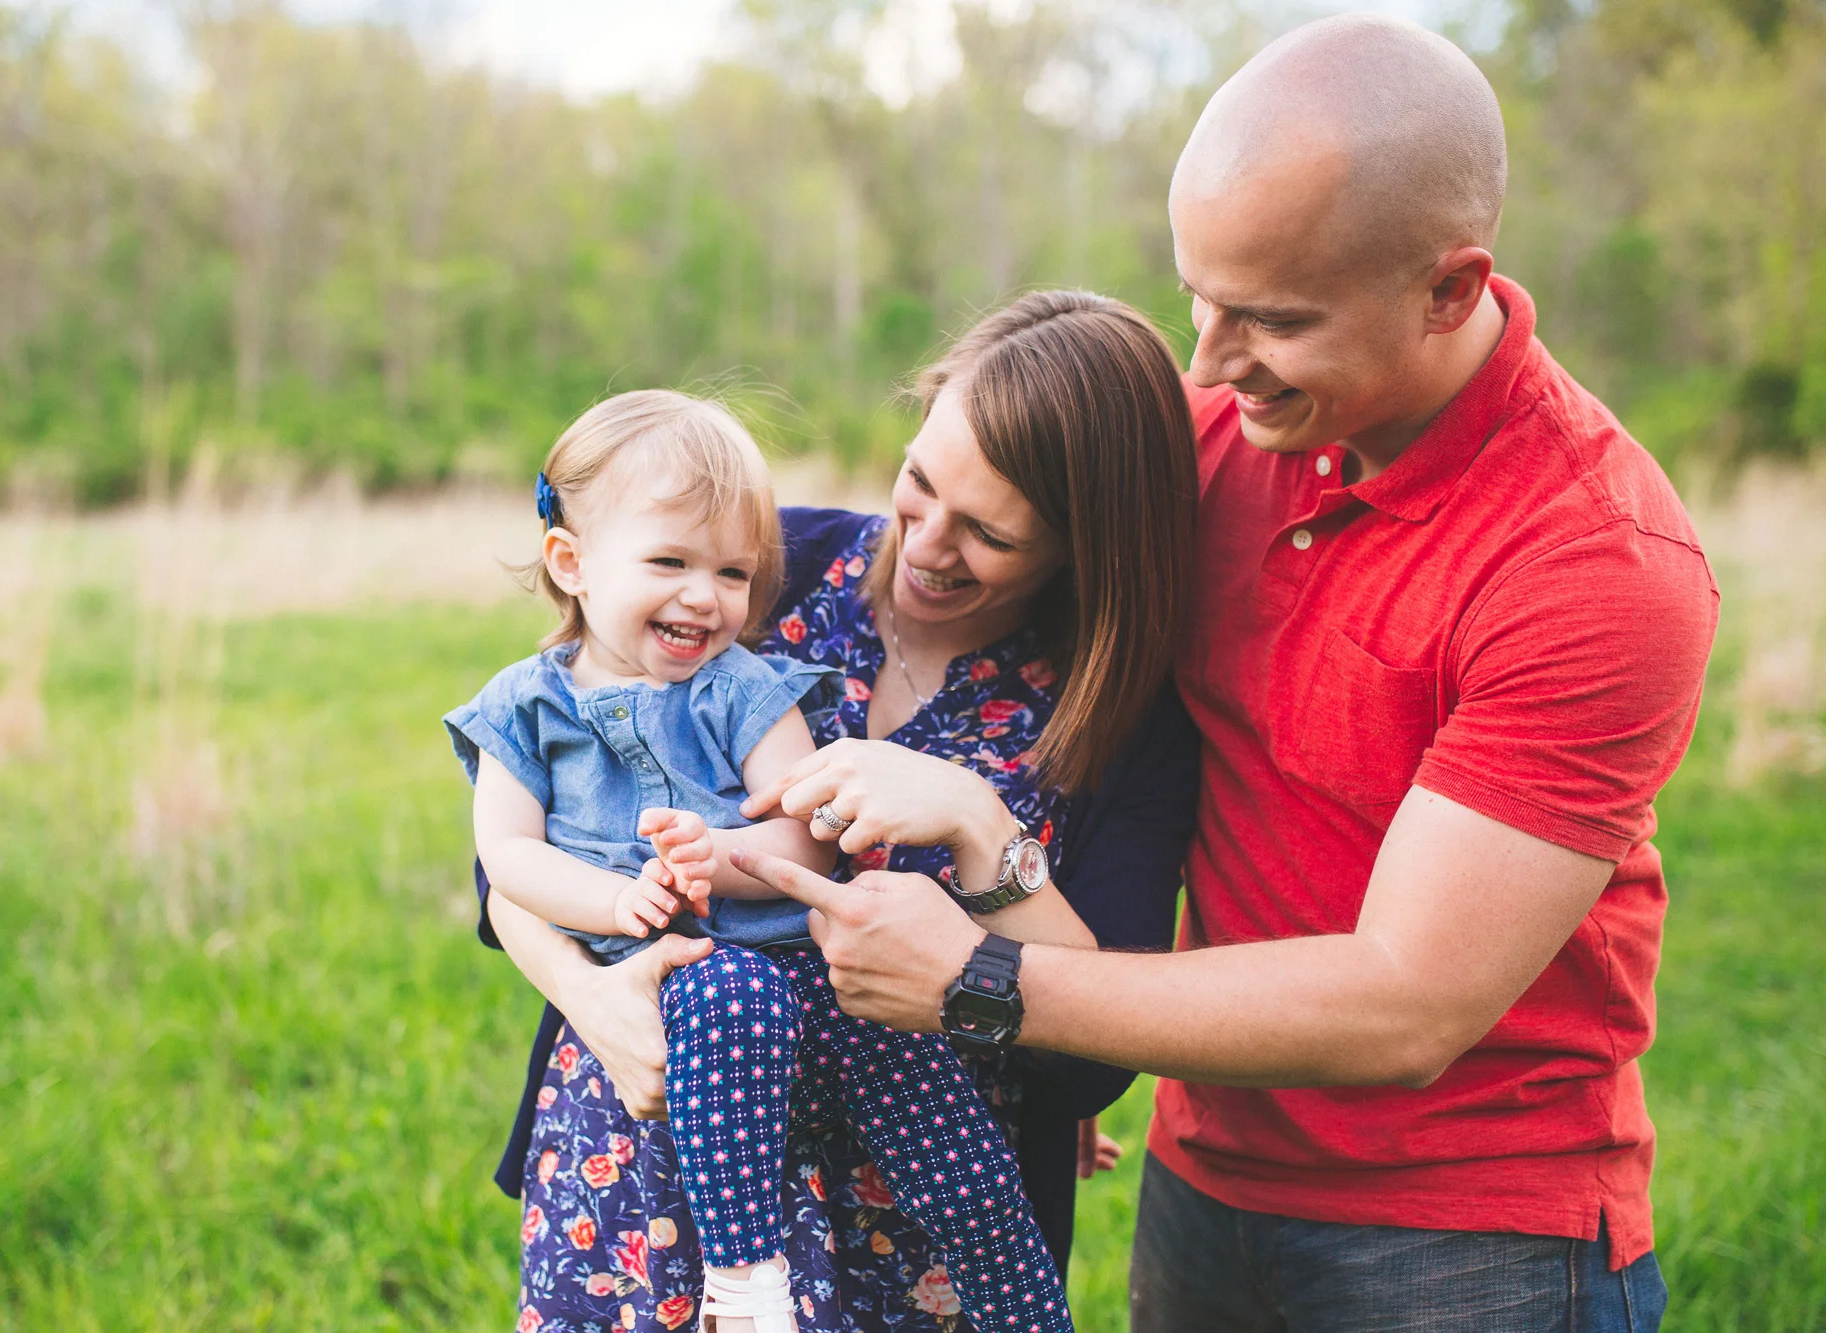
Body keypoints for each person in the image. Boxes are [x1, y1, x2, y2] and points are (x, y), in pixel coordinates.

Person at [733, 16, 1719, 1333]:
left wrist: (995, 987)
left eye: (1270, 319)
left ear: (1447, 286)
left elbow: (1406, 1002)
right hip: (1204, 1177)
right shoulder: (1216, 438)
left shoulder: (1591, 563)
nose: (1207, 361)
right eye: (1200, 296)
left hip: (1470, 1228)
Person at [469, 292, 1201, 1333]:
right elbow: (523, 831)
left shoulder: (1119, 718)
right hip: (662, 1166)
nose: (927, 545)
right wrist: (593, 1003)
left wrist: (979, 826)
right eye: (917, 482)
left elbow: (1090, 1062)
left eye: (987, 532)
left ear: (1081, 547)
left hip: (930, 1229)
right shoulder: (764, 566)